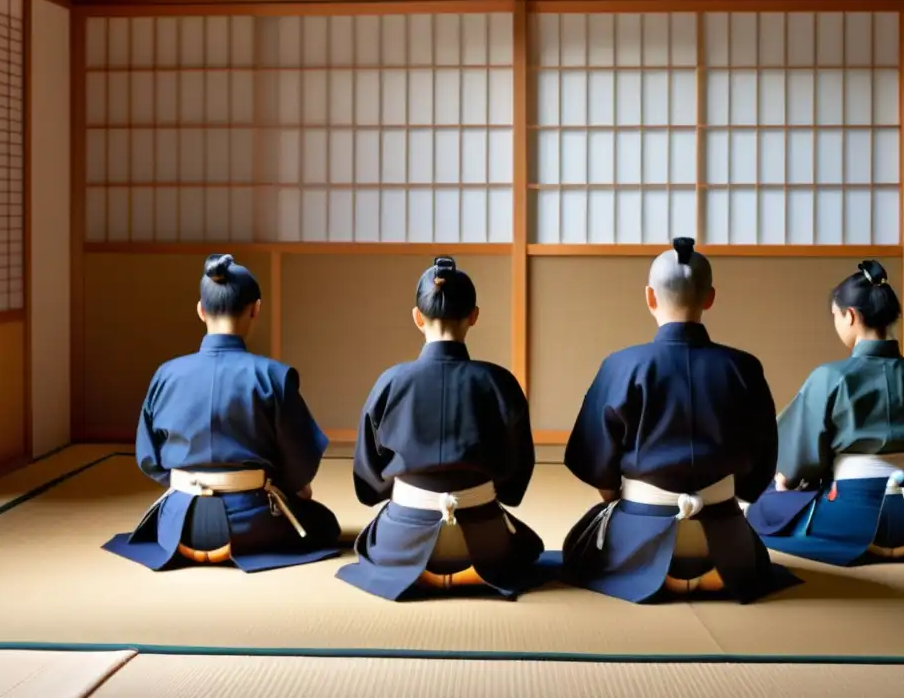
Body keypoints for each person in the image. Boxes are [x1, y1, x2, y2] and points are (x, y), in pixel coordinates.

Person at [560, 237, 801, 604]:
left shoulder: (621, 366)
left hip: (638, 536)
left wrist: (615, 493)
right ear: (710, 297)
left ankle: (651, 571)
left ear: (650, 297)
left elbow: (596, 462)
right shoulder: (743, 368)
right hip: (727, 543)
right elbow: (763, 457)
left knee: (578, 549)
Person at [746, 260, 904, 567]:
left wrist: (787, 479)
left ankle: (867, 543)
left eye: (836, 316)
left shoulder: (830, 376)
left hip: (849, 512)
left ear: (850, 316)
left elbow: (797, 460)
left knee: (761, 506)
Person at [102, 253, 342, 572]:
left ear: (201, 310)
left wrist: (189, 479)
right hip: (254, 523)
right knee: (323, 522)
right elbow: (300, 464)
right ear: (255, 309)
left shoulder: (166, 374)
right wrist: (291, 485)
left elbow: (149, 459)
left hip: (179, 522)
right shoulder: (273, 376)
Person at [335, 256, 545, 601]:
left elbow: (368, 477)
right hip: (486, 539)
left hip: (402, 538)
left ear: (418, 317)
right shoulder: (499, 382)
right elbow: (516, 469)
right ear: (474, 316)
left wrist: (394, 489)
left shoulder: (391, 382)